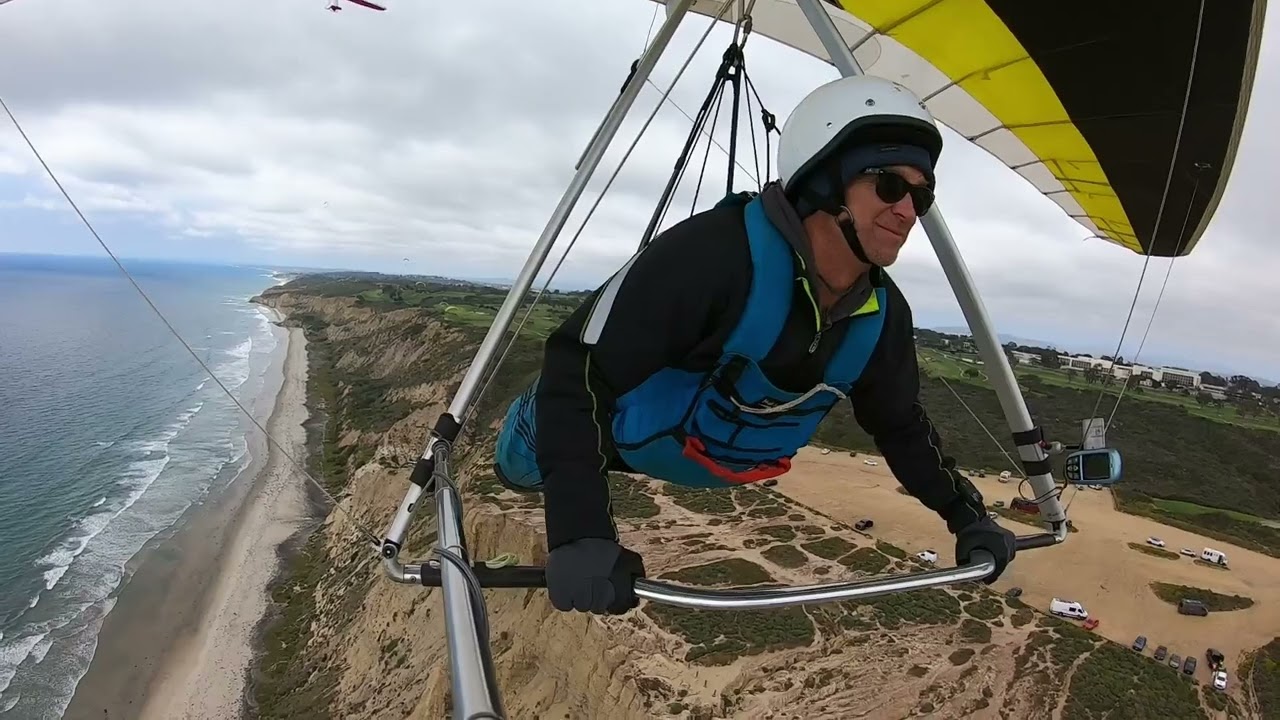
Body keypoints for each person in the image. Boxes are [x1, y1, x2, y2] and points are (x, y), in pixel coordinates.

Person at [494, 74, 1018, 615]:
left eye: (921, 194)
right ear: (822, 181)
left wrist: (968, 517)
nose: (908, 210)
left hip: (704, 458)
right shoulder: (714, 257)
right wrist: (580, 533)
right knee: (516, 465)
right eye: (888, 185)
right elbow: (576, 365)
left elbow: (900, 426)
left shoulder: (881, 316)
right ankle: (515, 443)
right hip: (612, 434)